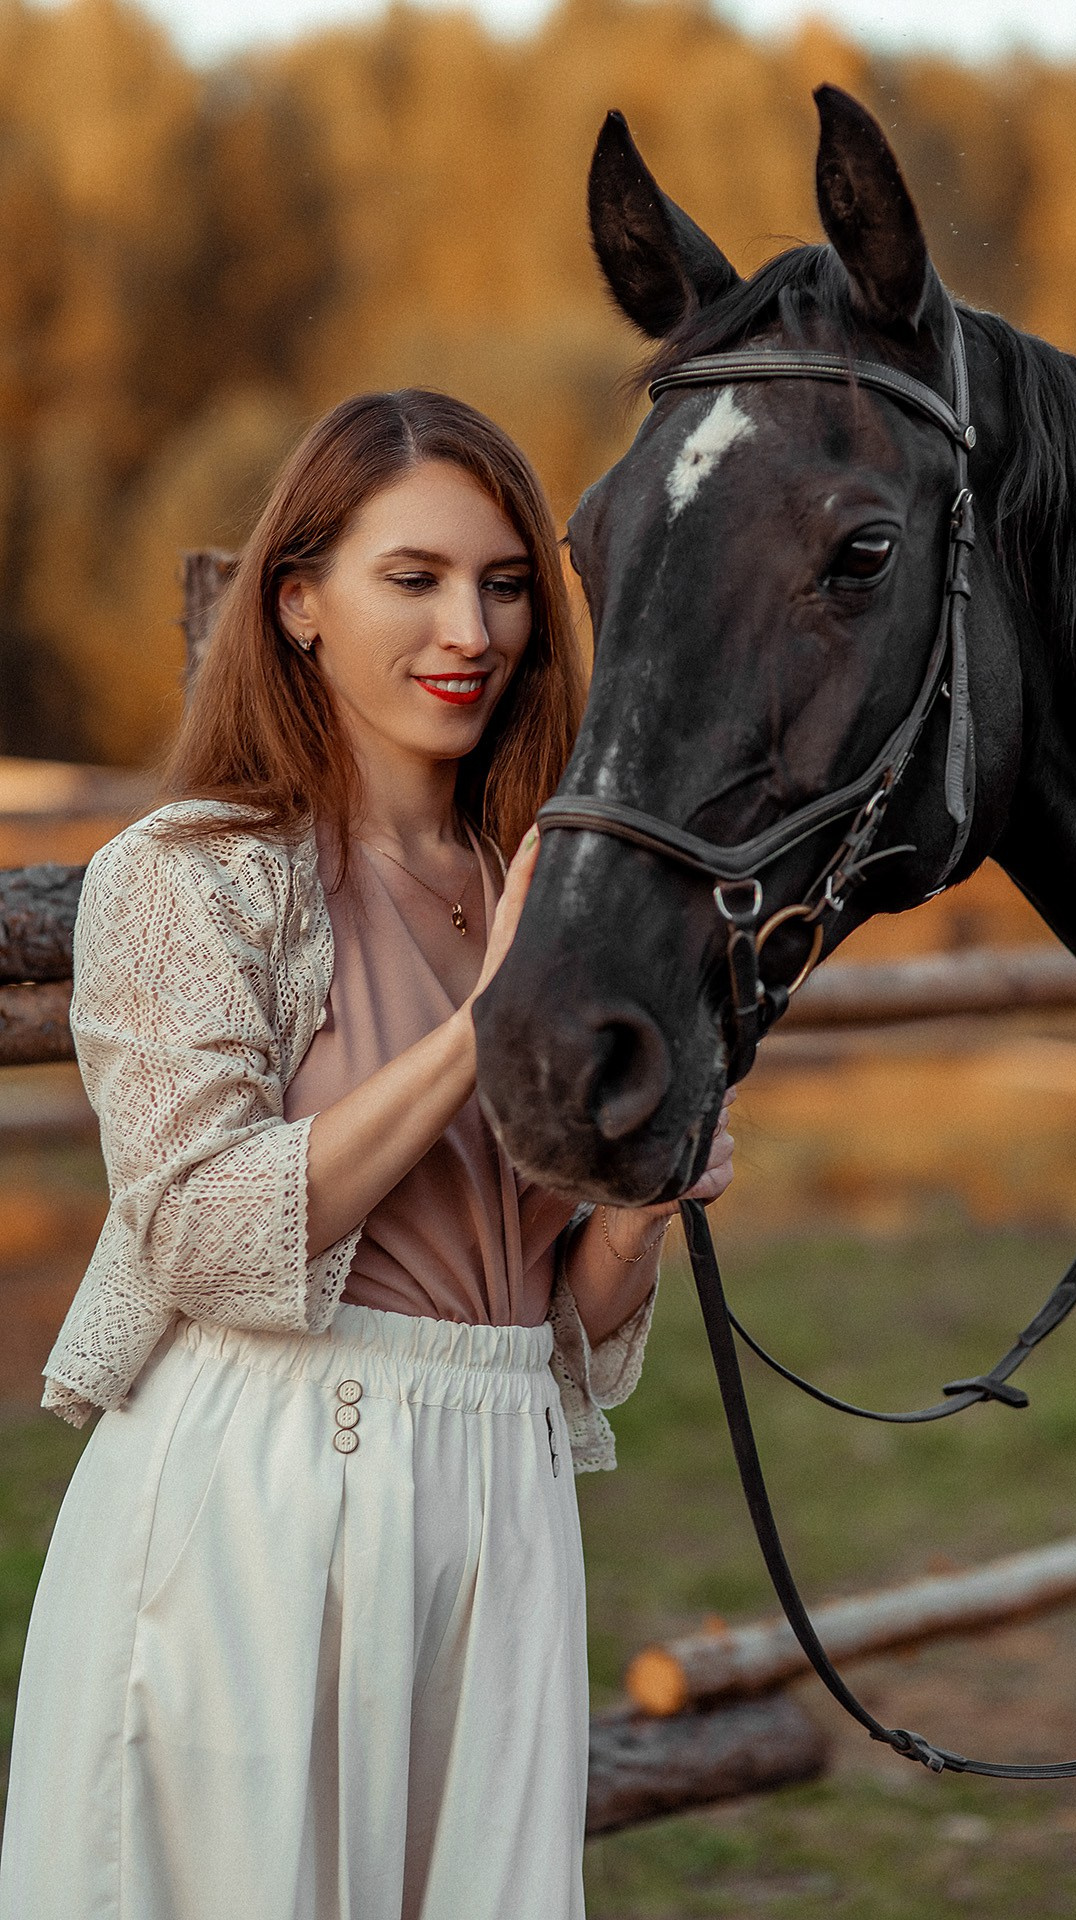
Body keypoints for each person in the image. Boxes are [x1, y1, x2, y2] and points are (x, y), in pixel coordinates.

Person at [0, 389, 734, 1920]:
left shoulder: (541, 883)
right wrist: (489, 1013)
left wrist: (647, 1202)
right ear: (300, 605)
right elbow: (202, 1235)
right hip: (261, 1491)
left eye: (507, 580)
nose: (471, 625)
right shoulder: (191, 879)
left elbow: (566, 1334)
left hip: (502, 1500)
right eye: (414, 578)